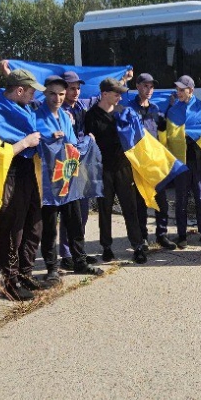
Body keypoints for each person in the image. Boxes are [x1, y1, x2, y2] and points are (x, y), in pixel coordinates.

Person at [0, 68, 45, 300]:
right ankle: (10, 281)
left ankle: (26, 273)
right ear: (19, 90)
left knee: (34, 223)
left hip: (28, 169)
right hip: (8, 172)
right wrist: (26, 142)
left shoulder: (23, 106)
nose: (34, 97)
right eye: (31, 92)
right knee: (12, 229)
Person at [36, 75, 103, 283]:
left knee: (74, 222)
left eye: (61, 94)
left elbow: (72, 145)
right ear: (45, 93)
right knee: (49, 226)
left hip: (68, 178)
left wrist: (85, 142)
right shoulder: (37, 116)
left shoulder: (66, 117)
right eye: (53, 93)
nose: (57, 98)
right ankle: (52, 268)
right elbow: (35, 143)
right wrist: (49, 138)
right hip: (48, 182)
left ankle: (79, 261)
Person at [85, 77, 149, 264]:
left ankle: (137, 246)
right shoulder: (91, 116)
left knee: (130, 207)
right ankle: (106, 247)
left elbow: (137, 138)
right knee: (104, 209)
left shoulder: (124, 112)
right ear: (104, 94)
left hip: (123, 168)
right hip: (103, 170)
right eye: (116, 94)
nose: (120, 98)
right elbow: (89, 144)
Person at [165, 75, 201, 248]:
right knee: (181, 199)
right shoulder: (173, 110)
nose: (178, 93)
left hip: (199, 161)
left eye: (182, 90)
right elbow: (170, 137)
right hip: (180, 162)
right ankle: (181, 235)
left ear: (191, 90)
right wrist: (182, 136)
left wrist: (189, 134)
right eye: (177, 90)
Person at [128, 73, 176, 250]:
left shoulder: (156, 109)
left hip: (155, 164)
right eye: (146, 86)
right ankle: (142, 237)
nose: (149, 90)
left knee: (161, 202)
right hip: (139, 165)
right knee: (141, 203)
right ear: (138, 86)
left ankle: (161, 235)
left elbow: (165, 131)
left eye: (151, 87)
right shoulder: (129, 110)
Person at [56, 70, 98, 269]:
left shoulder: (82, 105)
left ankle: (78, 250)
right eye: (72, 88)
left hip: (83, 164)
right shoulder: (59, 110)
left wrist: (123, 79)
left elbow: (101, 96)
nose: (76, 92)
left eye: (78, 88)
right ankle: (66, 254)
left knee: (83, 209)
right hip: (67, 164)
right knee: (69, 212)